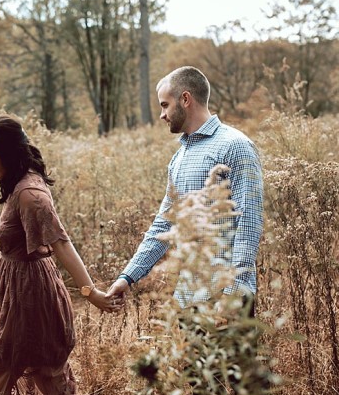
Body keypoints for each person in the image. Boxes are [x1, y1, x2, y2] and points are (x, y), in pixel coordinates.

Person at [0, 113, 120, 395]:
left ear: (9, 152)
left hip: (29, 298)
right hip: (22, 293)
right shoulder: (21, 183)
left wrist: (91, 292)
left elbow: (61, 244)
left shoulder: (30, 195)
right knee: (46, 372)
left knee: (0, 373)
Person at [106, 66, 264, 312]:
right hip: (188, 299)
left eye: (164, 105)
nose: (162, 114)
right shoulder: (179, 157)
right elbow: (164, 225)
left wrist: (233, 294)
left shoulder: (236, 146)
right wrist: (127, 277)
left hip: (226, 299)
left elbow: (249, 222)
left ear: (185, 99)